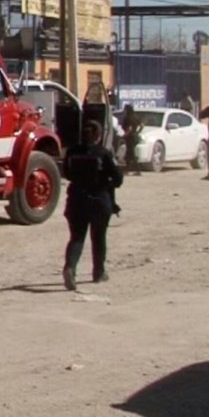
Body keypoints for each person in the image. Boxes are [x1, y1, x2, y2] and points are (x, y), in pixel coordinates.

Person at [62, 119, 123, 291]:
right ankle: (98, 272)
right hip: (98, 201)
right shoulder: (103, 153)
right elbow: (118, 178)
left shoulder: (72, 152)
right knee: (99, 237)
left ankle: (70, 268)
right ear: (97, 135)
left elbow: (66, 173)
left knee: (77, 237)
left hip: (75, 200)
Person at [119, 104, 143, 175]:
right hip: (135, 136)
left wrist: (124, 135)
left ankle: (137, 170)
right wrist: (137, 132)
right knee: (129, 153)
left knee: (131, 153)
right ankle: (127, 170)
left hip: (130, 137)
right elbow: (142, 126)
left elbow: (129, 128)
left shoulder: (128, 118)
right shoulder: (136, 116)